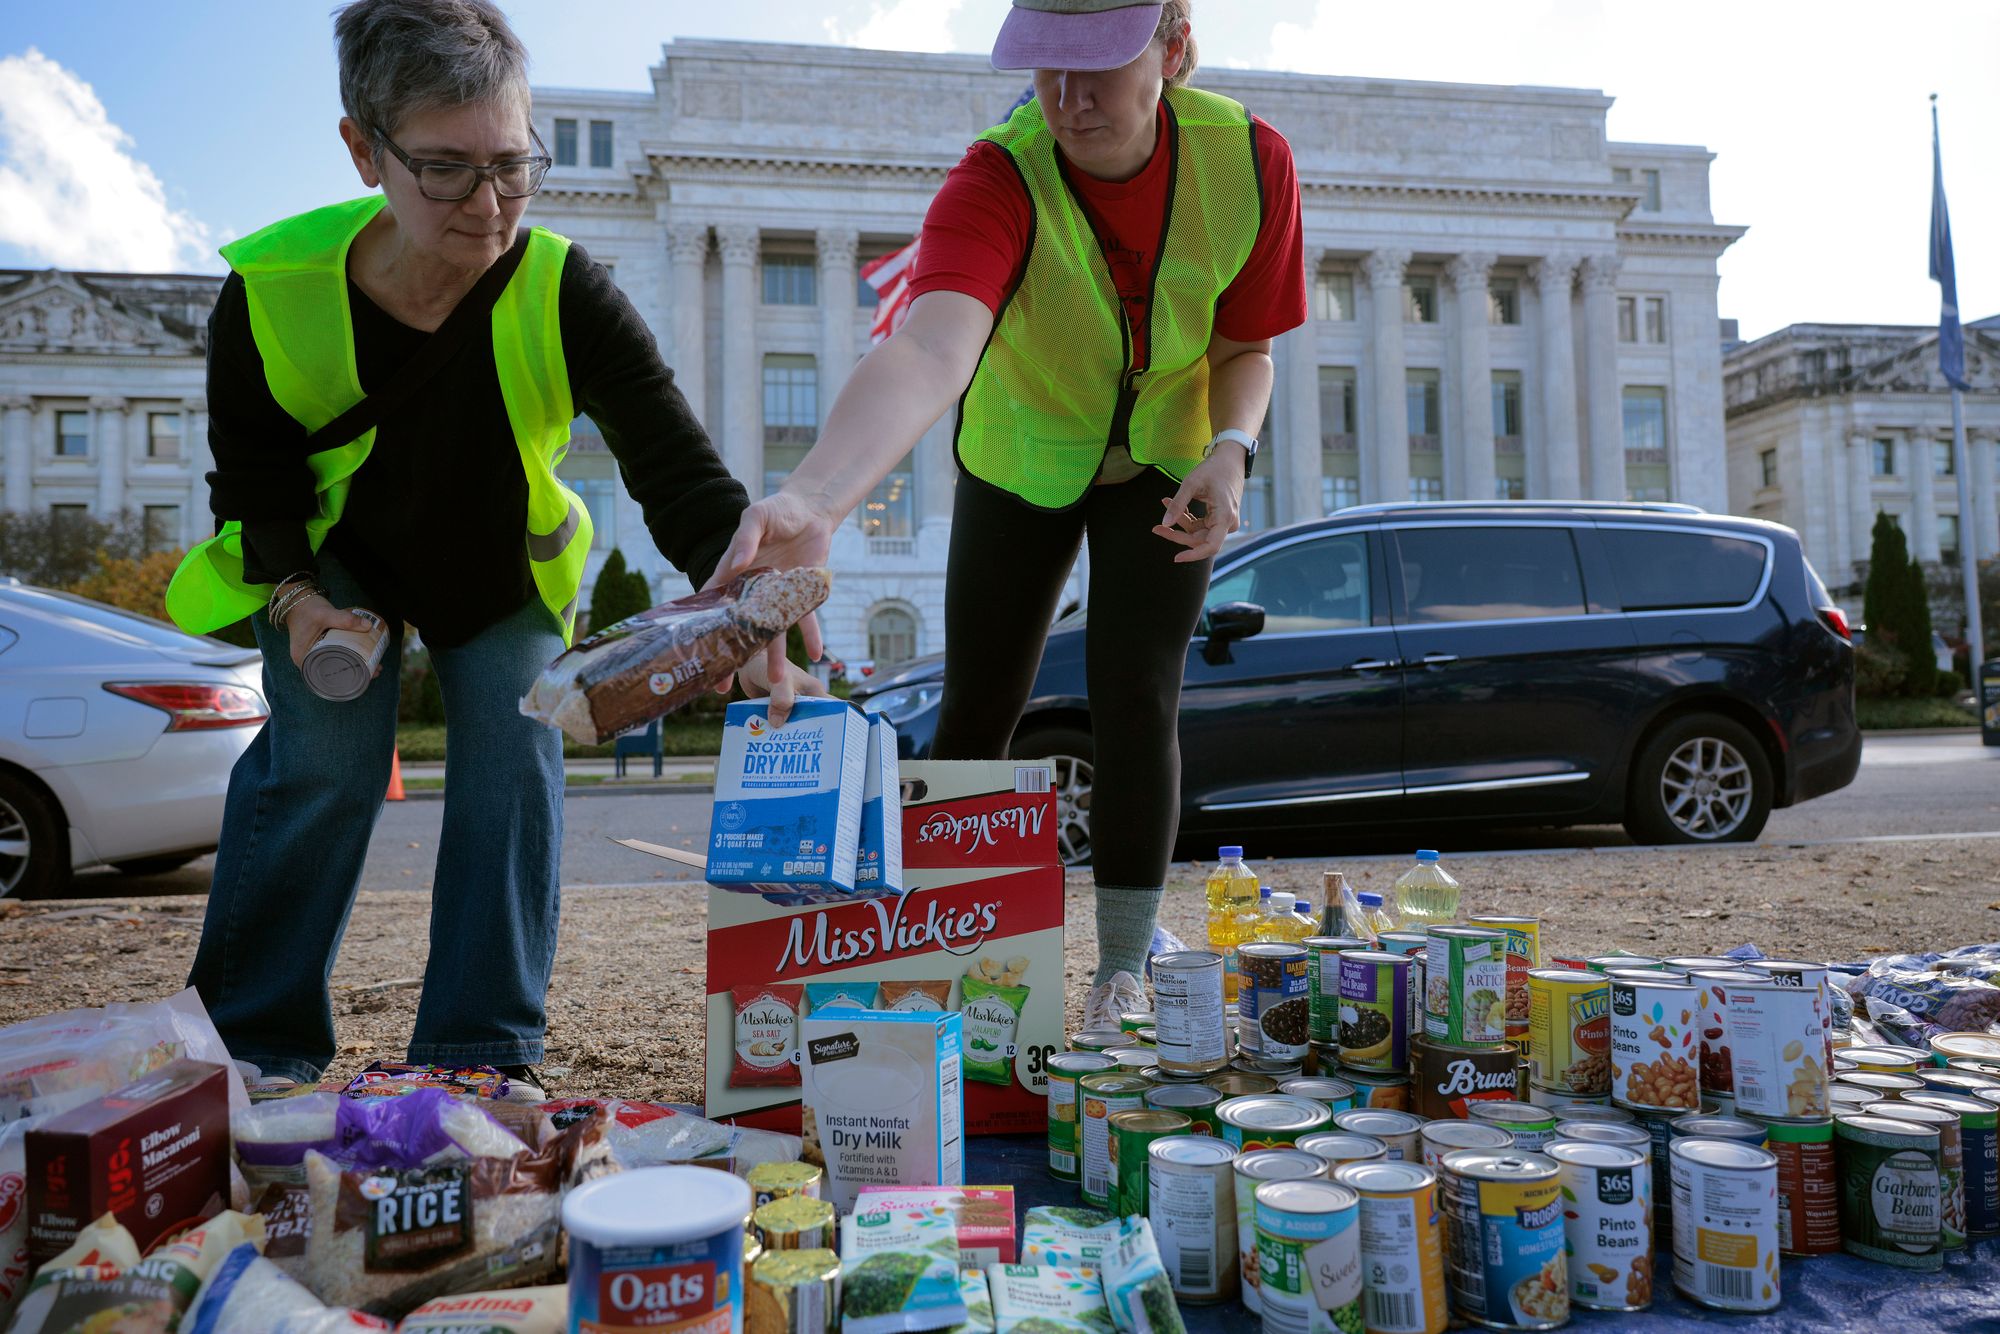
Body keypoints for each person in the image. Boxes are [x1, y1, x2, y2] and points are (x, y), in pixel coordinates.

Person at [166, 0, 813, 1097]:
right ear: (363, 148)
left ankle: (478, 1050)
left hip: (495, 566)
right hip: (336, 564)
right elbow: (257, 481)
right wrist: (298, 604)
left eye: (514, 166)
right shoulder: (269, 293)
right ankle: (253, 1046)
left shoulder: (566, 287)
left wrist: (750, 617)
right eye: (448, 171)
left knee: (517, 748)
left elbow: (676, 469)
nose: (491, 205)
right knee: (321, 754)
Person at [709, 0, 1306, 1029]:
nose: (1067, 101)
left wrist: (1230, 446)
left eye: (1095, 68)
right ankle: (941, 949)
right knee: (978, 702)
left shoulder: (1248, 160)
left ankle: (1120, 966)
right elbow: (931, 346)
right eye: (1043, 70)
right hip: (1021, 449)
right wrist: (815, 494)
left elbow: (1245, 346)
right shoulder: (997, 172)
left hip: (1169, 455)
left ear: (1169, 48)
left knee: (1137, 696)